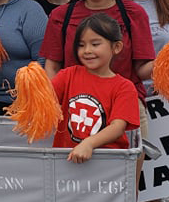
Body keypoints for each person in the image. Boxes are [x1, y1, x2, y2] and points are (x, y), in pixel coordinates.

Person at [39, 0, 154, 188]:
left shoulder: (133, 13)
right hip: (74, 108)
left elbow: (142, 69)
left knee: (120, 185)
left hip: (125, 107)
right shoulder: (61, 15)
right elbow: (52, 66)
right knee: (72, 183)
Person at [53, 13, 139, 163]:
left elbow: (118, 127)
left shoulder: (124, 87)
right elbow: (44, 100)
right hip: (67, 160)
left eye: (95, 44)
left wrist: (89, 143)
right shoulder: (67, 75)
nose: (87, 50)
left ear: (116, 47)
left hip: (107, 164)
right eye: (81, 45)